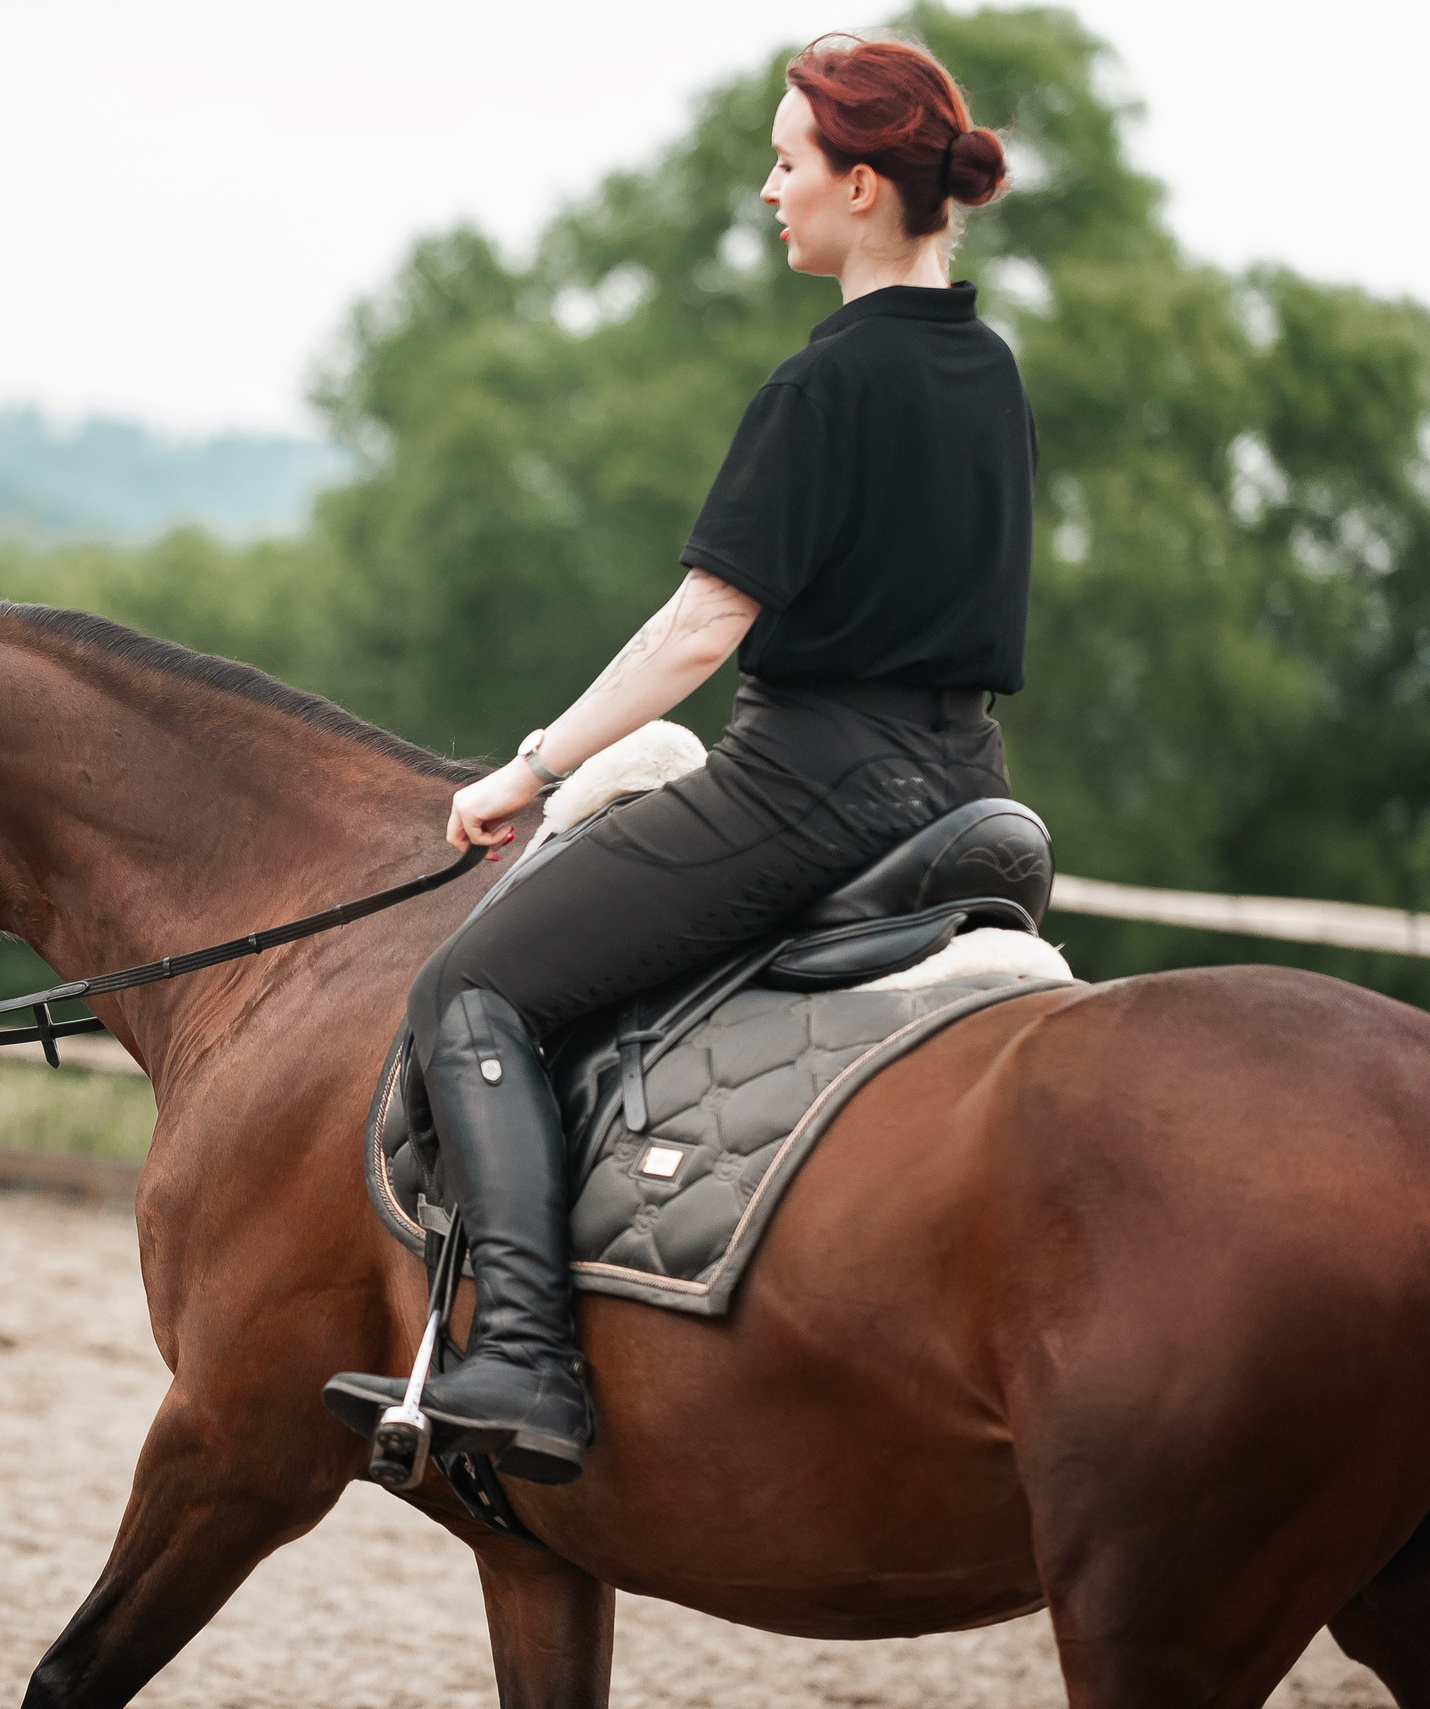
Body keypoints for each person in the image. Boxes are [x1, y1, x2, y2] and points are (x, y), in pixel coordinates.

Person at [325, 34, 1032, 1486]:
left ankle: (526, 1355)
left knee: (471, 988)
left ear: (860, 185)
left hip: (810, 784)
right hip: (966, 781)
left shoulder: (825, 383)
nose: (769, 190)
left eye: (787, 162)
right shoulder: (990, 371)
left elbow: (702, 625)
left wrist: (530, 769)